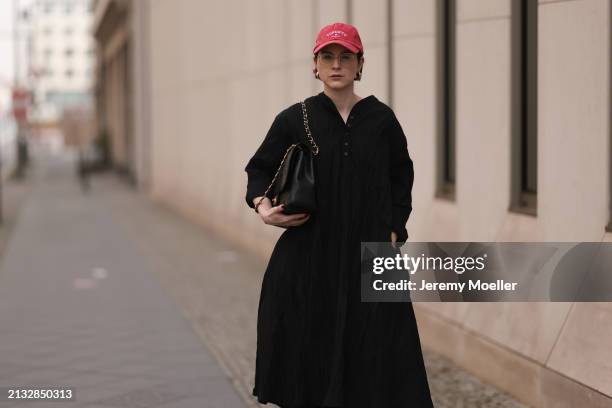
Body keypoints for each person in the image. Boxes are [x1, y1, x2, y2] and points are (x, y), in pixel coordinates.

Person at [244, 22, 434, 408]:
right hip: (308, 258)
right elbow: (259, 169)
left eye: (346, 57)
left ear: (360, 64)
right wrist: (264, 210)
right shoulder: (294, 119)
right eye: (327, 57)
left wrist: (395, 230)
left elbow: (402, 174)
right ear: (314, 65)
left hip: (371, 258)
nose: (336, 64)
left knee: (380, 359)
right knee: (310, 358)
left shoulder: (381, 120)